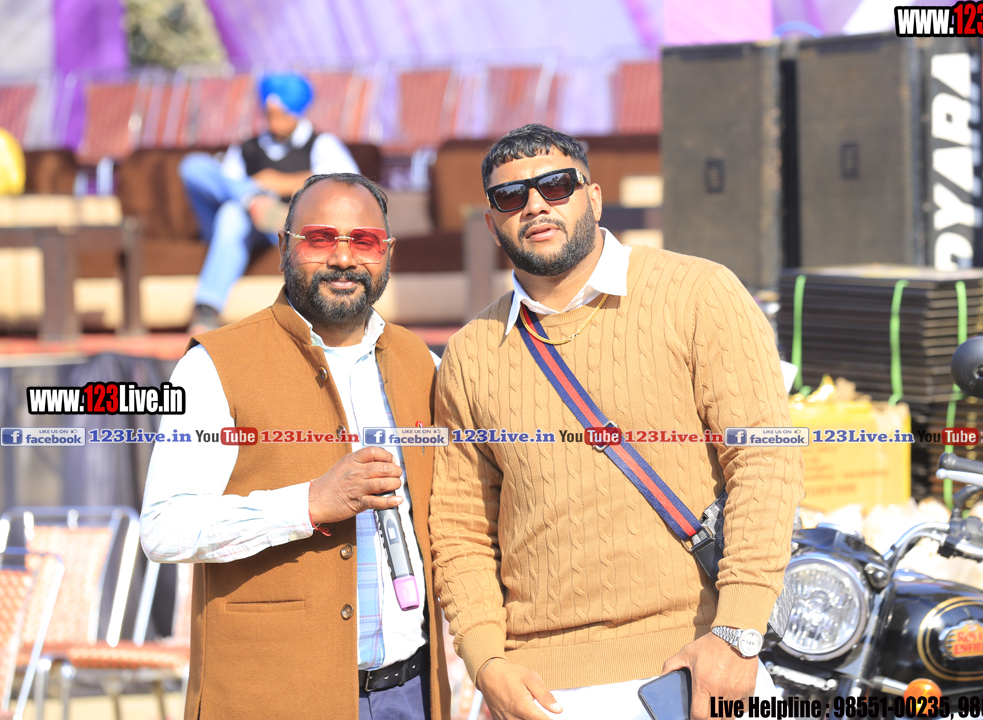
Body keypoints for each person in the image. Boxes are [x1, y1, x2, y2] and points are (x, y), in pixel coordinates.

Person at [429, 124, 803, 720]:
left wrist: (737, 633)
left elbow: (765, 463)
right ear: (492, 224)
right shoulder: (471, 353)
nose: (535, 205)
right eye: (511, 196)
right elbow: (460, 527)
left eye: (556, 185)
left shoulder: (699, 293)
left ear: (594, 197)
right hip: (541, 692)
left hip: (694, 666)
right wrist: (485, 662)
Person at [141, 173, 450, 720]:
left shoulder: (423, 362)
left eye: (364, 241)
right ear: (285, 245)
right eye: (320, 238)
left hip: (410, 694)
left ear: (387, 252)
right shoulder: (212, 366)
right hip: (274, 698)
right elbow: (164, 527)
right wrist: (306, 504)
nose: (343, 258)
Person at [179, 72, 360, 333]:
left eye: (282, 114)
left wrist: (279, 183)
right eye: (269, 114)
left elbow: (350, 183)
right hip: (233, 229)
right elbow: (223, 183)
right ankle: (251, 197)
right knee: (197, 170)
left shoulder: (322, 144)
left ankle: (206, 309)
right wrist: (253, 196)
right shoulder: (246, 147)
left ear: (297, 112)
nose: (274, 122)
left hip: (285, 226)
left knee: (232, 213)